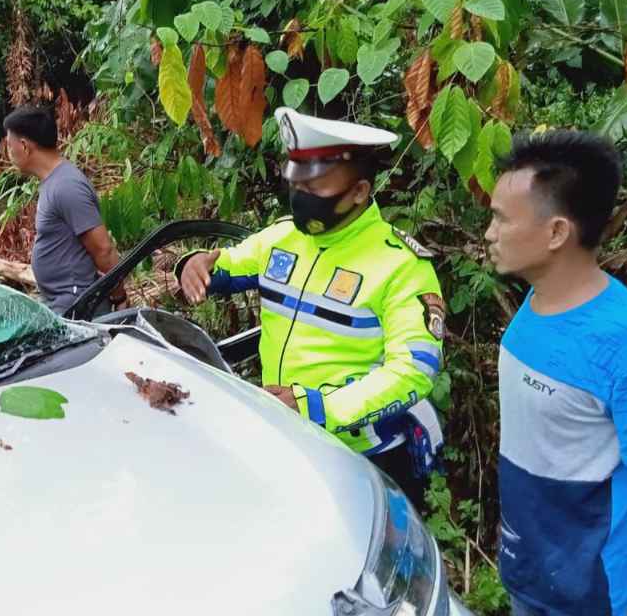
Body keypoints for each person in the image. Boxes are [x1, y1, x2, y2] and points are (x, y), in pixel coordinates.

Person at [485, 130, 627, 616]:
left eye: (501, 219)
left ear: (557, 233)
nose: (489, 233)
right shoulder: (537, 304)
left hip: (598, 595)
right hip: (531, 577)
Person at [178, 107, 446, 508]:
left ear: (359, 191)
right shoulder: (282, 238)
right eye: (297, 180)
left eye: (317, 185)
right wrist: (194, 262)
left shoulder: (400, 265)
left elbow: (415, 369)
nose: (302, 194)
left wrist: (320, 408)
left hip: (367, 454)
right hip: (288, 434)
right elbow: (224, 264)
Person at [3, 106, 127, 316]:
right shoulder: (54, 182)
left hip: (76, 303)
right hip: (62, 300)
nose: (8, 152)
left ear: (24, 146)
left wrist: (119, 296)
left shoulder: (67, 186)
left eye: (9, 145)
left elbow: (103, 249)